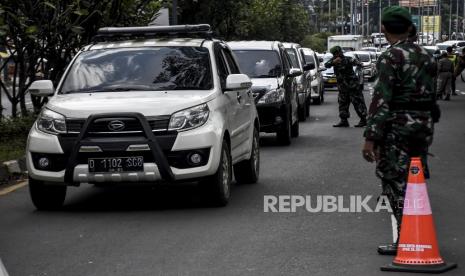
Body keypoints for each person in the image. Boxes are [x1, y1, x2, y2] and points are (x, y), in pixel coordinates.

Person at [362, 6, 439, 255]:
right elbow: (432, 96)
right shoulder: (427, 56)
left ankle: (407, 237)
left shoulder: (390, 57)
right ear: (409, 27)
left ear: (383, 29)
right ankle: (418, 231)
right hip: (423, 126)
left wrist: (371, 138)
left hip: (398, 127)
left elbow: (381, 100)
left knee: (393, 180)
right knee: (415, 178)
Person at [325, 46, 368, 127]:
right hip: (342, 87)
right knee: (342, 103)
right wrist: (333, 62)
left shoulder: (348, 59)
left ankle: (363, 120)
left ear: (340, 52)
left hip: (353, 86)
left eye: (337, 53)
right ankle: (344, 120)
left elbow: (357, 62)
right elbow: (326, 65)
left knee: (358, 102)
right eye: (334, 54)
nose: (336, 55)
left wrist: (360, 64)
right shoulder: (334, 60)